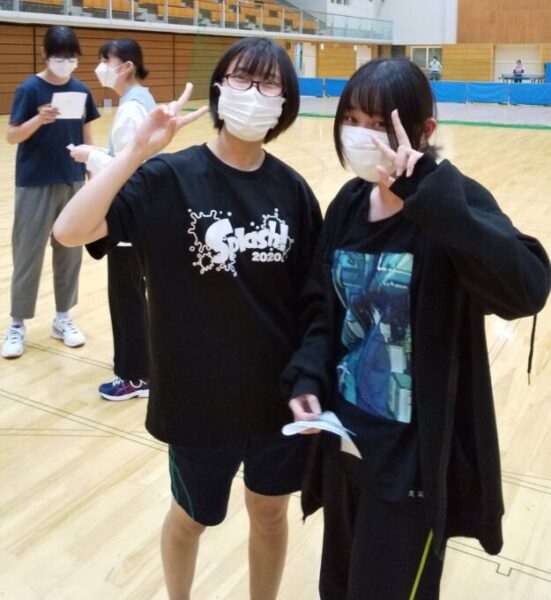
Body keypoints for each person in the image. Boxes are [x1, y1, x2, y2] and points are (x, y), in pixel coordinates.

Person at [53, 37, 322, 600]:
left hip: (277, 397)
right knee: (190, 518)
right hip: (197, 400)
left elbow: (312, 303)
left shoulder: (293, 191)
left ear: (285, 102)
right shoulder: (167, 178)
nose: (255, 93)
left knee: (270, 513)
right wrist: (135, 153)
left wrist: (310, 379)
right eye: (243, 78)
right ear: (220, 89)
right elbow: (71, 231)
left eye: (270, 83)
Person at [284, 58, 551, 599]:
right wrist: (308, 378)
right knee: (337, 588)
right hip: (344, 445)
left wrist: (431, 194)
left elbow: (527, 289)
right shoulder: (348, 205)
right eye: (352, 119)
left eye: (379, 124)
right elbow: (321, 309)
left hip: (411, 468)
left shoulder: (452, 202)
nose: (361, 135)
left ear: (424, 129)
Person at [2, 25, 100, 359]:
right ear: (44, 54)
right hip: (35, 182)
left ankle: (62, 317)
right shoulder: (29, 89)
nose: (65, 63)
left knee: (69, 252)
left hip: (72, 181)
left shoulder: (82, 91)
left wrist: (92, 176)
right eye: (59, 57)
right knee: (28, 253)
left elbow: (87, 138)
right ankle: (17, 324)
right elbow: (12, 136)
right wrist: (38, 120)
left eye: (71, 58)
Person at [69, 38, 155, 401]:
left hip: (129, 214)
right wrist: (98, 153)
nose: (101, 67)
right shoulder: (140, 100)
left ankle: (135, 376)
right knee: (133, 292)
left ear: (127, 66)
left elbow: (131, 168)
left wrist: (90, 156)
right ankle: (142, 363)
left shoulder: (133, 107)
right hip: (139, 211)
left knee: (126, 296)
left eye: (107, 60)